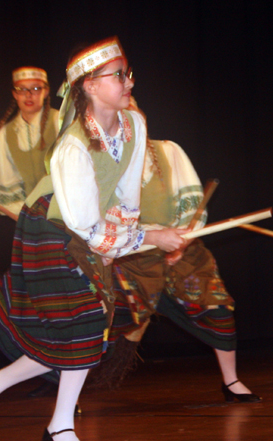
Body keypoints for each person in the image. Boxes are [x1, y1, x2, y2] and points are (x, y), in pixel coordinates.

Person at [0, 37, 185, 441]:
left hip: (89, 226)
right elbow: (90, 230)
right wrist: (152, 237)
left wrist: (144, 231)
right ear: (89, 85)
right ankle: (55, 423)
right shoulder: (71, 147)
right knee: (82, 324)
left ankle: (3, 393)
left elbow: (126, 199)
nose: (129, 82)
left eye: (127, 72)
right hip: (48, 230)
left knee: (76, 331)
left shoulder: (135, 124)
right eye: (119, 75)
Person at [106, 138, 261, 403]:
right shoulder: (103, 159)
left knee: (216, 307)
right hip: (134, 254)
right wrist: (149, 239)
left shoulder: (169, 151)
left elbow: (192, 205)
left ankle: (231, 381)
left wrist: (182, 242)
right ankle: (71, 390)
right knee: (103, 322)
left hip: (182, 247)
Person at [0, 67, 59, 217]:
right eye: (22, 89)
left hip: (66, 215)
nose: (28, 95)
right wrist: (28, 215)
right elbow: (6, 180)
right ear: (14, 94)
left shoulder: (60, 121)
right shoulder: (5, 134)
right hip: (29, 219)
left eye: (36, 89)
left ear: (45, 92)